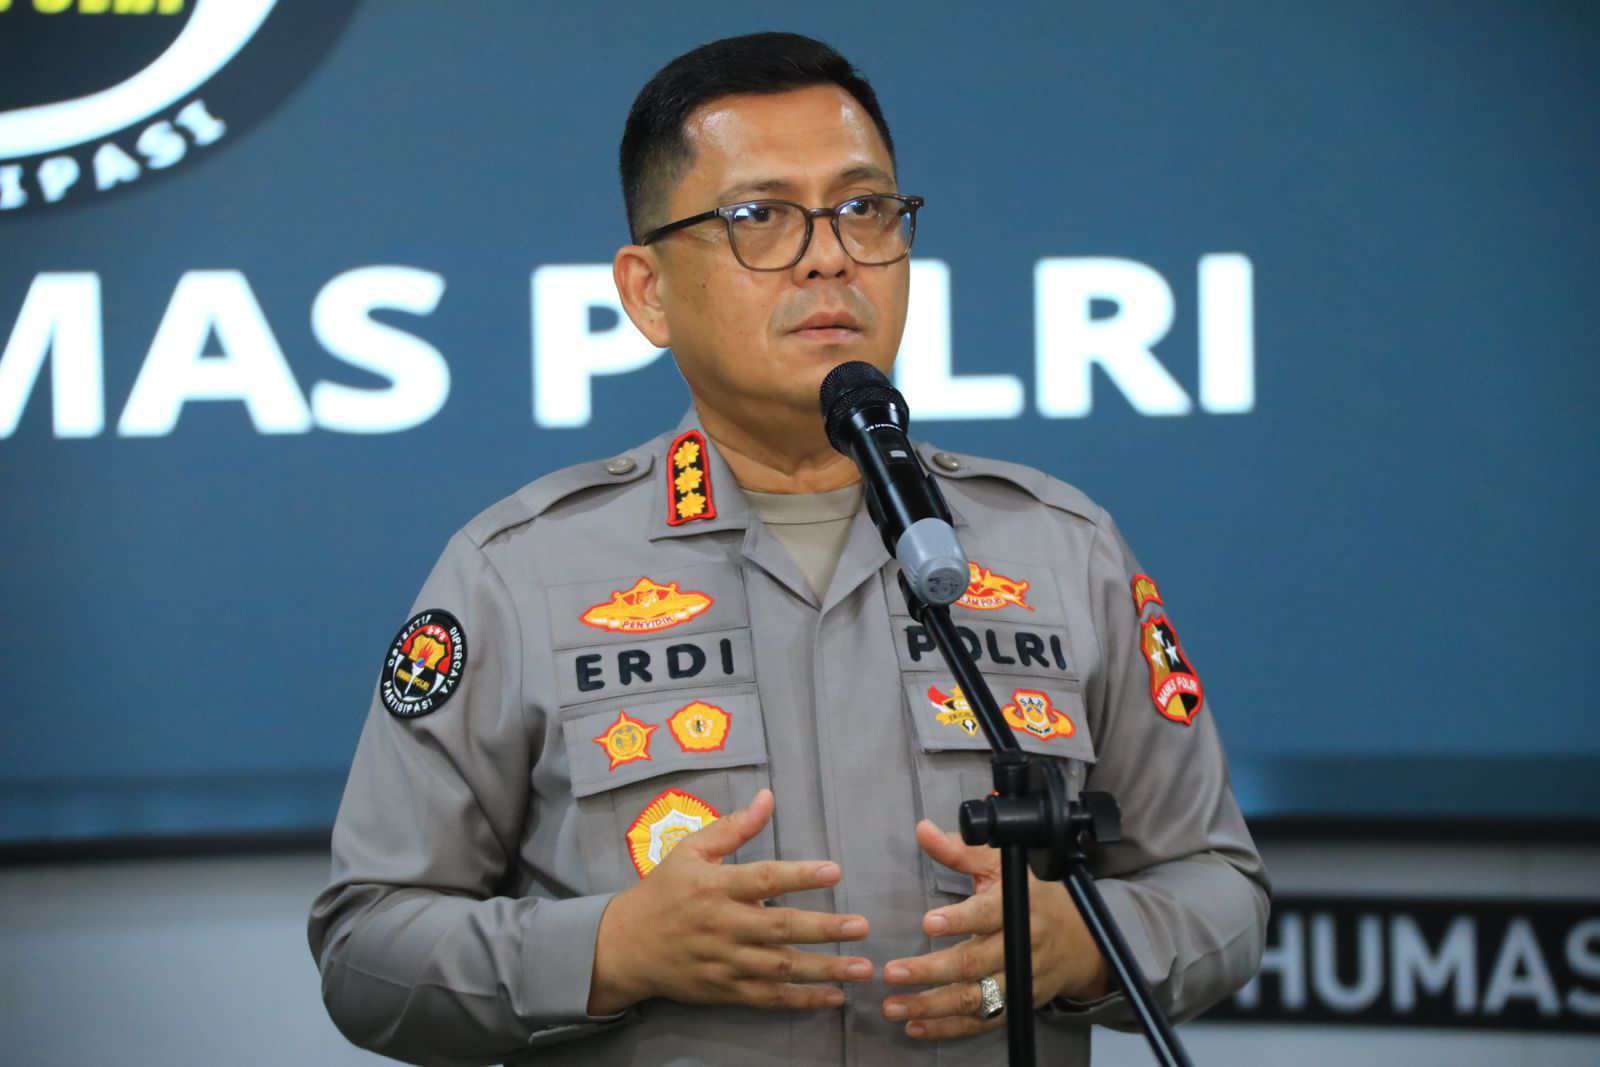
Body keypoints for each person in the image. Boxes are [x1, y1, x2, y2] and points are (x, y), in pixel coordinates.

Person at [308, 31, 1268, 1067]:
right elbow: (367, 947)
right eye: (759, 216)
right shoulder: (518, 572)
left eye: (864, 209)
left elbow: (1218, 884)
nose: (829, 255)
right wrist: (610, 949)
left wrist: (1086, 941)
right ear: (647, 291)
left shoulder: (1060, 548)